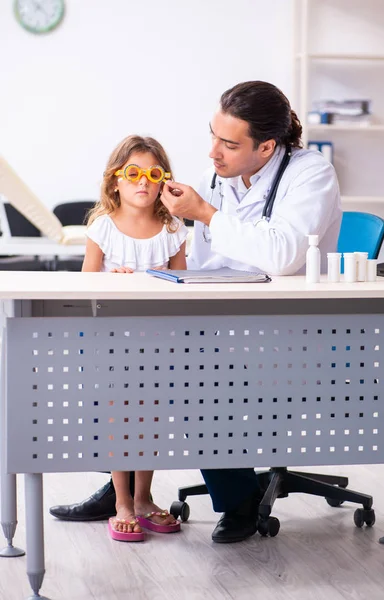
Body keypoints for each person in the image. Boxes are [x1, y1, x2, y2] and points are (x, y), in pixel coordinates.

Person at [50, 81, 342, 543]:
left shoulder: (310, 174)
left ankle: (236, 500)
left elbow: (285, 253)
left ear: (267, 146)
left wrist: (206, 214)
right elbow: (197, 262)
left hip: (283, 326)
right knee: (138, 372)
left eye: (228, 143)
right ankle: (123, 490)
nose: (213, 153)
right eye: (213, 136)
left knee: (195, 374)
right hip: (220, 315)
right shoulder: (216, 178)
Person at [81, 134, 187, 540]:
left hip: (158, 340)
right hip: (113, 341)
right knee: (118, 420)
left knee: (151, 419)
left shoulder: (173, 228)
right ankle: (122, 500)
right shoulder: (103, 228)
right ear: (115, 181)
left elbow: (182, 282)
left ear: (164, 182)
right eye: (133, 173)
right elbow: (86, 285)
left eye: (153, 174)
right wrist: (112, 282)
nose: (143, 181)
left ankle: (143, 499)